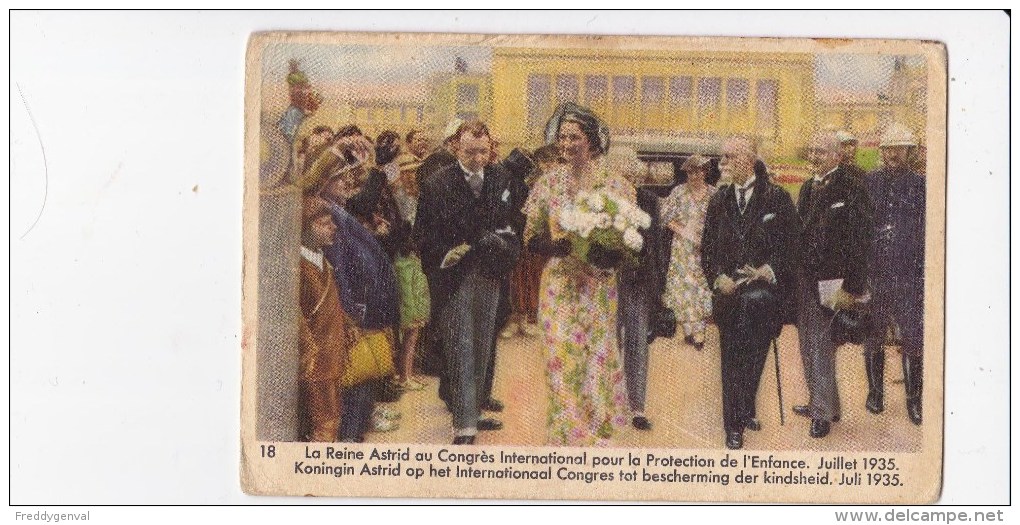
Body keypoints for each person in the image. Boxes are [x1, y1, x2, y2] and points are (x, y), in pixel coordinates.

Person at [523, 103, 633, 447]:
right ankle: (567, 430)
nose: (567, 144)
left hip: (598, 284)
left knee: (596, 357)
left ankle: (597, 428)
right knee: (560, 356)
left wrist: (603, 253)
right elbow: (530, 237)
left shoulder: (614, 182)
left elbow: (627, 238)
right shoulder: (547, 182)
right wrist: (556, 245)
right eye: (562, 137)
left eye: (575, 137)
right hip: (559, 284)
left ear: (592, 140)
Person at [413, 120, 522, 445]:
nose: (477, 159)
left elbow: (515, 221)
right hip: (454, 275)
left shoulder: (503, 178)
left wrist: (507, 248)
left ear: (491, 150)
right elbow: (423, 233)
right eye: (470, 151)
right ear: (455, 148)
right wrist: (445, 255)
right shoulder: (436, 184)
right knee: (460, 345)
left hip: (489, 273)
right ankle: (463, 425)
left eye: (483, 152)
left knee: (482, 344)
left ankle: (472, 412)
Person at [700, 137, 799, 450]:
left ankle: (745, 407)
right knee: (731, 360)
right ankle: (734, 425)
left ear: (751, 159)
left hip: (763, 296)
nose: (723, 163)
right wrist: (718, 277)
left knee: (755, 356)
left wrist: (768, 270)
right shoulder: (719, 200)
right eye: (722, 157)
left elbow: (791, 246)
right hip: (728, 295)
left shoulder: (777, 198)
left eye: (730, 156)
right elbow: (707, 250)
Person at [793, 131, 874, 439]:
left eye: (821, 152)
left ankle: (822, 413)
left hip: (833, 279)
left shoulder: (851, 186)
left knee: (820, 345)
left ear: (837, 156)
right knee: (808, 344)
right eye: (811, 150)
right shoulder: (807, 187)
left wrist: (852, 285)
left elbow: (861, 239)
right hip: (805, 278)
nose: (814, 156)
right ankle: (825, 403)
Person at [862, 123, 925, 425]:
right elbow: (859, 228)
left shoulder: (920, 185)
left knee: (913, 336)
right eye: (888, 149)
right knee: (873, 333)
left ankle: (914, 400)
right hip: (875, 273)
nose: (892, 154)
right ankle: (875, 393)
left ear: (909, 152)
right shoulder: (870, 182)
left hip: (908, 274)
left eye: (898, 149)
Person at [611, 146, 668, 432]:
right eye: (619, 172)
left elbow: (656, 246)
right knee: (609, 341)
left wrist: (658, 288)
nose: (625, 177)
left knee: (636, 342)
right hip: (607, 280)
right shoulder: (603, 200)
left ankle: (637, 406)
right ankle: (608, 403)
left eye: (628, 172)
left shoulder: (649, 200)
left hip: (638, 281)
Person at [297, 195, 352, 442]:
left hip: (332, 357)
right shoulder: (298, 266)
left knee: (332, 418)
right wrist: (309, 349)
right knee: (324, 423)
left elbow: (332, 305)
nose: (334, 227)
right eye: (325, 223)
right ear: (306, 228)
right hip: (316, 362)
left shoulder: (322, 260)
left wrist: (348, 324)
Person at [503, 145, 564, 338]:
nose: (545, 167)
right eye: (542, 163)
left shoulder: (561, 183)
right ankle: (520, 318)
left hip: (553, 239)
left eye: (548, 162)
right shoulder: (534, 184)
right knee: (525, 279)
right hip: (535, 239)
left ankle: (537, 318)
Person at [660, 154, 718, 350]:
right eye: (691, 171)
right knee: (683, 288)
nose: (696, 175)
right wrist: (684, 231)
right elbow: (665, 217)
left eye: (699, 170)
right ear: (686, 173)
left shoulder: (713, 193)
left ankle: (699, 330)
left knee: (700, 287)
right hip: (683, 248)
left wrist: (706, 237)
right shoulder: (678, 192)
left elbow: (720, 223)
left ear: (705, 172)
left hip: (705, 249)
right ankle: (687, 328)